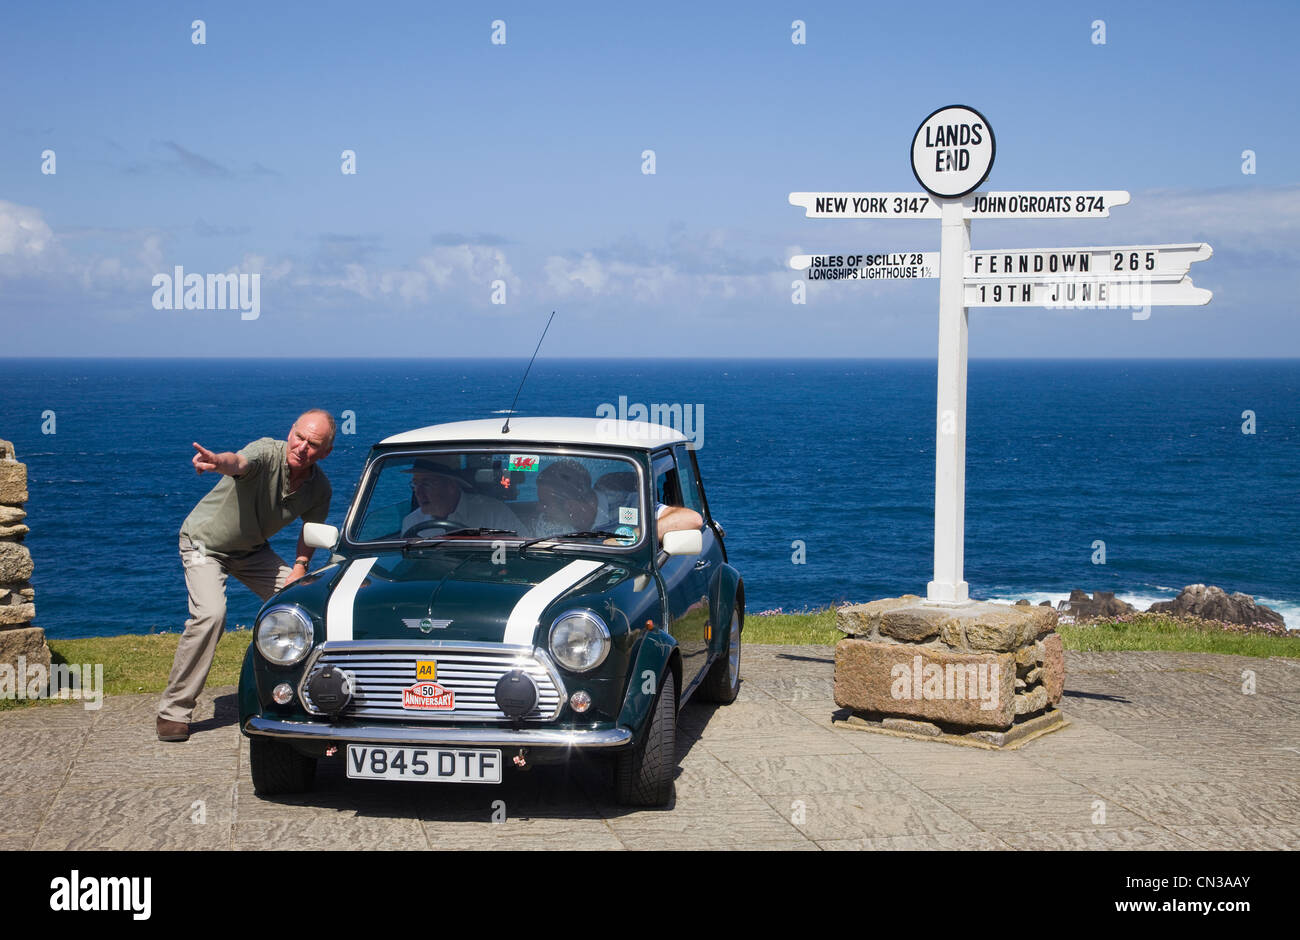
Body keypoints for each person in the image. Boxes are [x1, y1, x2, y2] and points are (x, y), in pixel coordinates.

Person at [157, 410, 334, 742]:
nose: (302, 447)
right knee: (211, 615)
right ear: (290, 431)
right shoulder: (266, 452)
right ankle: (173, 711)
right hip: (204, 544)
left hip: (252, 551)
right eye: (299, 437)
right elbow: (237, 462)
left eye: (313, 444)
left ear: (325, 452)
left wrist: (299, 568)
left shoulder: (319, 488)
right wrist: (216, 462)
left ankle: (302, 696)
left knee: (307, 603)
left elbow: (310, 532)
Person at [533, 459, 702, 540]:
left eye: (546, 503)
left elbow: (691, 519)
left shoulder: (629, 504)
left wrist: (630, 539)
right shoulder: (547, 522)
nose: (541, 509)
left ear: (571, 506)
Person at [400, 457, 522, 535]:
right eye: (415, 484)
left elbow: (521, 548)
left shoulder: (494, 513)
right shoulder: (411, 522)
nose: (418, 492)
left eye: (426, 484)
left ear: (451, 486)